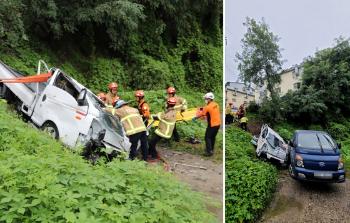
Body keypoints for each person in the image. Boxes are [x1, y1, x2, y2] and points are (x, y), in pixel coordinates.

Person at [193, 92, 221, 156]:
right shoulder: (216, 104)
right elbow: (208, 109)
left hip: (212, 124)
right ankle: (211, 149)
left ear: (209, 99)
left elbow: (202, 114)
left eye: (206, 99)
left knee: (207, 137)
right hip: (218, 124)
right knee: (213, 137)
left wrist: (195, 117)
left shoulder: (207, 107)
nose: (205, 100)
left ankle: (209, 152)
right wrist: (202, 109)